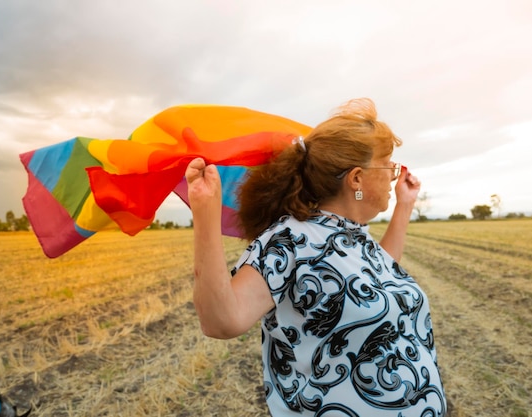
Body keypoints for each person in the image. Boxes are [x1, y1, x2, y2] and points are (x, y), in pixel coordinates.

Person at [185, 98, 447, 416]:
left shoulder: (352, 233)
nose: (394, 173)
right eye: (388, 164)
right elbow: (221, 322)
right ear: (357, 179)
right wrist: (205, 212)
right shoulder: (290, 239)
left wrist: (404, 204)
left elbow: (377, 277)